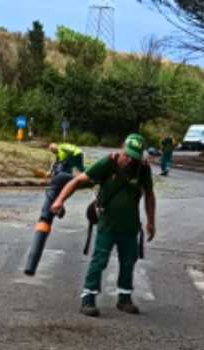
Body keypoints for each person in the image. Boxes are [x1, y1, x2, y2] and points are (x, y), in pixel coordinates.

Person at [51, 133, 156, 318]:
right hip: (107, 223)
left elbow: (149, 195)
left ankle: (124, 298)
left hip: (130, 226)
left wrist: (151, 222)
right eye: (127, 154)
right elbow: (77, 181)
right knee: (99, 260)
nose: (129, 159)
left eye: (134, 157)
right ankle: (88, 299)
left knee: (128, 261)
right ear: (122, 147)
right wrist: (59, 201)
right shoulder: (108, 163)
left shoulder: (142, 169)